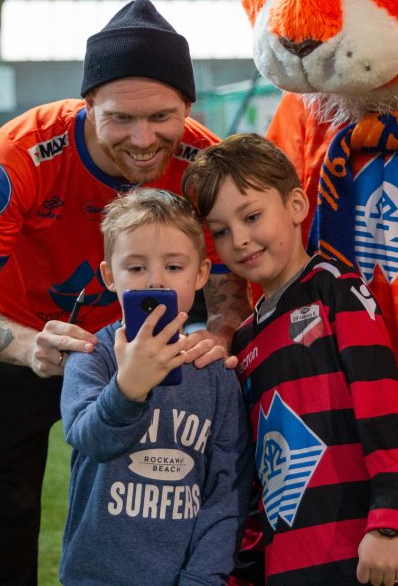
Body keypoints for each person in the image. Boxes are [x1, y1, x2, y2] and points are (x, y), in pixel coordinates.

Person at [0, 0, 250, 585]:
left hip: (146, 354)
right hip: (21, 345)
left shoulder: (204, 162)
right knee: (4, 524)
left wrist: (221, 332)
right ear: (87, 105)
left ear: (188, 107)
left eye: (162, 116)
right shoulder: (22, 152)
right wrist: (29, 347)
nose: (143, 138)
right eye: (120, 118)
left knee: (152, 508)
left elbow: (229, 281)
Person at [182, 134, 398, 585]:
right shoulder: (245, 340)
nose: (240, 240)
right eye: (220, 231)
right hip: (289, 563)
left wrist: (390, 522)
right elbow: (257, 468)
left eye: (252, 216)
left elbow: (384, 409)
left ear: (296, 205)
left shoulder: (336, 289)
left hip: (364, 552)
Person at [59, 188, 250, 585]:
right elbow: (89, 439)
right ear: (109, 276)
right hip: (95, 576)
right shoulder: (91, 356)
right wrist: (127, 388)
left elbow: (226, 492)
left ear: (201, 274)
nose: (156, 280)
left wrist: (202, 577)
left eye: (174, 266)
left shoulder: (213, 372)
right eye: (136, 267)